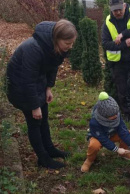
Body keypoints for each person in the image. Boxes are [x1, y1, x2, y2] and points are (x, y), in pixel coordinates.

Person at [6, 19, 77, 169]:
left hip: (37, 82)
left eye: (72, 43)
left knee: (43, 117)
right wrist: (34, 106)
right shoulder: (34, 48)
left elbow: (53, 67)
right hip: (20, 86)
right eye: (67, 43)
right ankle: (43, 159)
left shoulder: (56, 47)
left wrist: (48, 88)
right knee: (34, 121)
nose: (70, 47)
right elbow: (27, 80)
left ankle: (49, 149)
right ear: (56, 38)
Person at [81, 92, 130, 173]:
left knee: (128, 132)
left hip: (113, 133)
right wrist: (116, 149)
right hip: (99, 137)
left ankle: (124, 152)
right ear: (104, 116)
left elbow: (122, 130)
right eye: (112, 116)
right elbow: (103, 139)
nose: (116, 116)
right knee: (94, 145)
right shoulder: (94, 122)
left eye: (116, 114)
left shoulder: (116, 114)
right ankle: (89, 160)